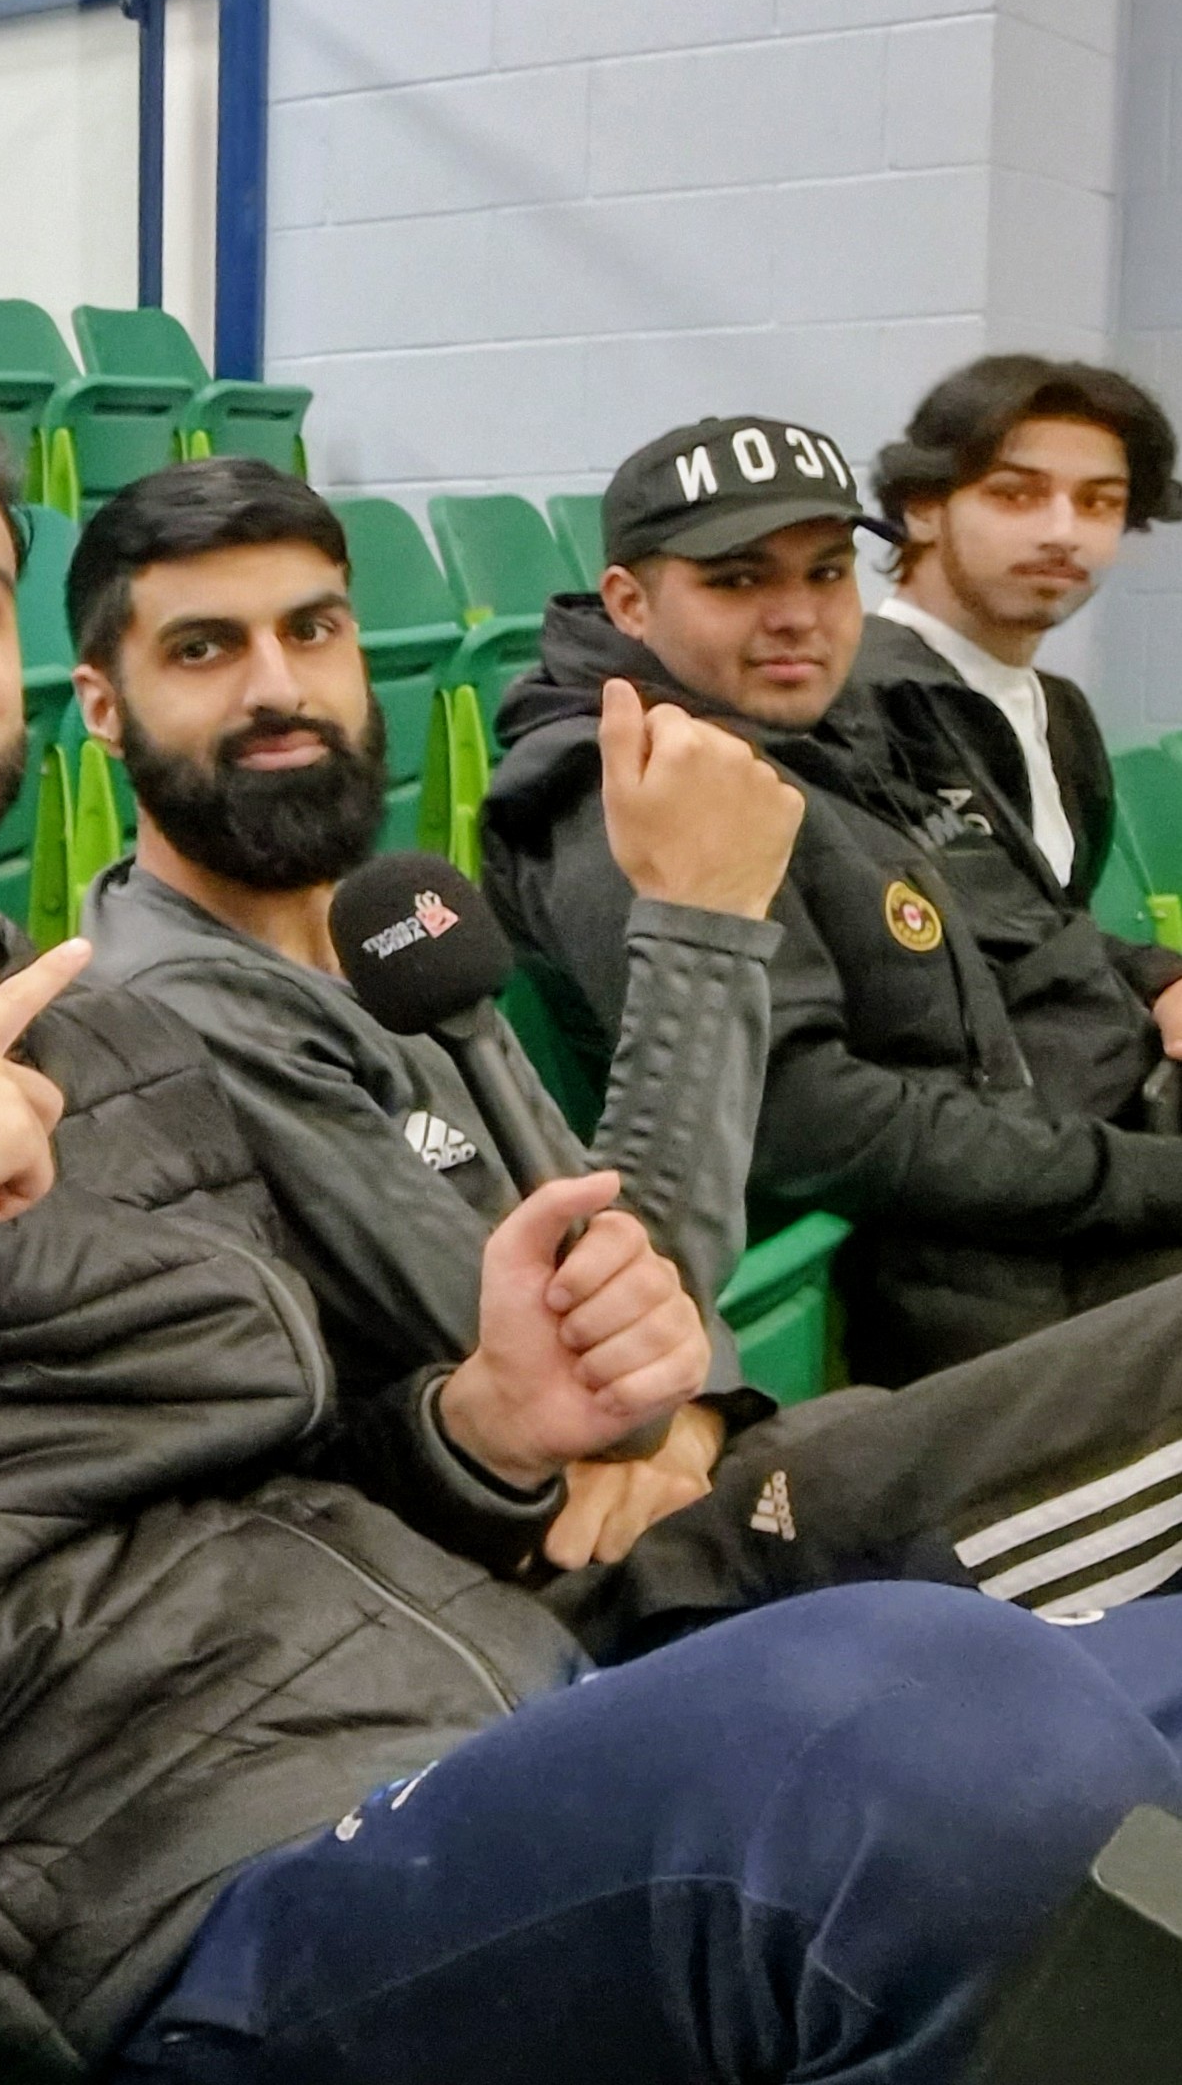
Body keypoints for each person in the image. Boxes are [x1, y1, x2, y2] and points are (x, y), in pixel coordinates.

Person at [0, 384, 1182, 2084]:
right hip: (194, 1907)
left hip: (477, 1724)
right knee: (944, 1740)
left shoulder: (83, 1025)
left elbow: (305, 1475)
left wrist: (482, 1427)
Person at [74, 458, 796, 1568]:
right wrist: (702, 924)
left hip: (664, 1516)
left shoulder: (397, 926)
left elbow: (621, 1261)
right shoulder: (175, 1011)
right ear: (102, 709)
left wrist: (696, 1419)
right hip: (513, 1596)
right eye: (204, 648)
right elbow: (599, 1368)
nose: (279, 687)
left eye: (313, 630)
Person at [487, 415, 1182, 1380]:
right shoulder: (628, 788)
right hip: (983, 1304)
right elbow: (809, 1120)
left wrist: (1154, 974)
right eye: (738, 579)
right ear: (630, 603)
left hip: (1078, 1181)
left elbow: (1007, 911)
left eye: (824, 572)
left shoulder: (833, 720)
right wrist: (1148, 1181)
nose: (798, 615)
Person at [859, 354, 1180, 919]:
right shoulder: (856, 700)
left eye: (1098, 502)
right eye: (1015, 494)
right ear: (923, 509)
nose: (1064, 533)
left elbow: (1052, 929)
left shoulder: (1062, 712)